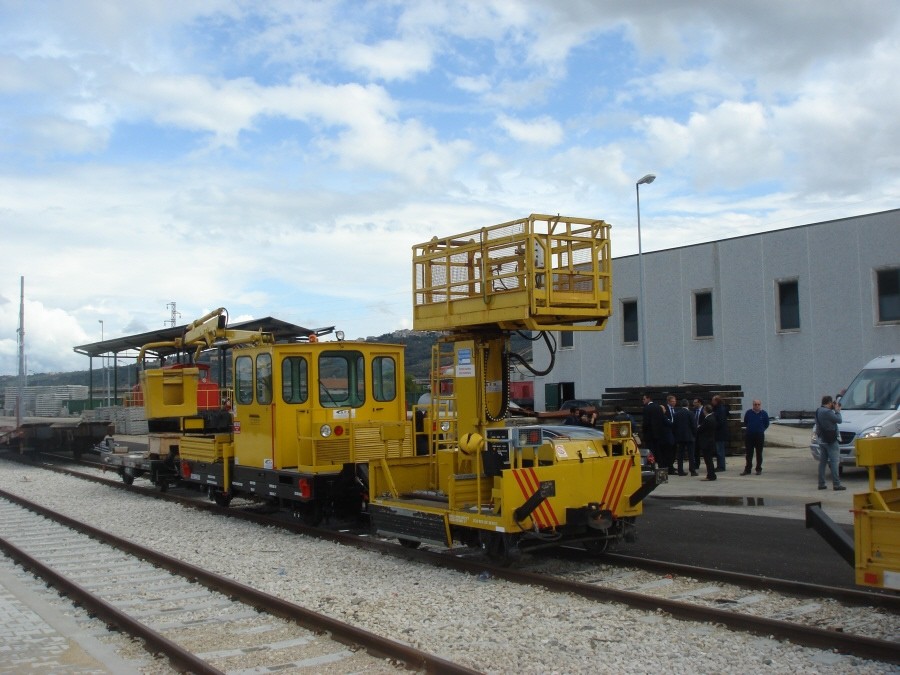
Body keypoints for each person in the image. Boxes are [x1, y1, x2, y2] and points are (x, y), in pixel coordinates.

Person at [816, 395, 845, 491]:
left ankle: (821, 483)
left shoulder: (818, 411)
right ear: (829, 403)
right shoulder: (828, 412)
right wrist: (837, 411)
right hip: (830, 439)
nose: (833, 404)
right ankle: (836, 484)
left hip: (821, 439)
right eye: (832, 403)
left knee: (822, 462)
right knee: (834, 462)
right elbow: (839, 420)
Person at [741, 399, 770, 475]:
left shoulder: (764, 414)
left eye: (758, 404)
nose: (757, 406)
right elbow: (746, 422)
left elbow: (766, 424)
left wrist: (761, 430)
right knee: (749, 453)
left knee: (759, 453)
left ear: (760, 405)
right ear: (753, 405)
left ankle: (758, 469)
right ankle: (747, 469)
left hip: (759, 436)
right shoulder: (748, 413)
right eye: (755, 404)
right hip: (749, 435)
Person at [641, 394, 666, 470]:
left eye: (644, 399)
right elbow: (662, 420)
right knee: (659, 451)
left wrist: (643, 431)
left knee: (650, 452)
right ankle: (661, 466)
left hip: (649, 434)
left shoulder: (647, 408)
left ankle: (652, 467)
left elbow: (646, 422)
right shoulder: (658, 407)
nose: (643, 401)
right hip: (658, 434)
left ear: (649, 399)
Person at [674, 398, 697, 476]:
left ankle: (680, 470)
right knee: (691, 454)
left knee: (680, 454)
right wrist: (694, 434)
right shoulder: (690, 413)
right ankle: (692, 470)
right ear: (688, 404)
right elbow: (694, 426)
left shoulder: (676, 414)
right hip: (689, 436)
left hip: (680, 437)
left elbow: (675, 426)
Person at [696, 404, 718, 480]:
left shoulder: (707, 419)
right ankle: (711, 475)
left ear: (705, 411)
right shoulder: (713, 418)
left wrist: (699, 427)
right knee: (709, 460)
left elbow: (700, 429)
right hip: (711, 441)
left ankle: (711, 475)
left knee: (708, 460)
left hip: (706, 442)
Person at [711, 394, 730, 471]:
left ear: (716, 401)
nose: (711, 402)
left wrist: (713, 426)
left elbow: (720, 422)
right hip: (719, 433)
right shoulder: (718, 408)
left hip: (720, 433)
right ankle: (720, 465)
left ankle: (721, 466)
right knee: (719, 450)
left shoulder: (720, 410)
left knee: (720, 450)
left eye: (713, 400)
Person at [691, 398, 704, 468]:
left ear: (699, 403)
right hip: (695, 433)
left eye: (695, 402)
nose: (694, 404)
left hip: (702, 432)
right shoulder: (693, 411)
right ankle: (696, 464)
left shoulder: (704, 410)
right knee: (696, 449)